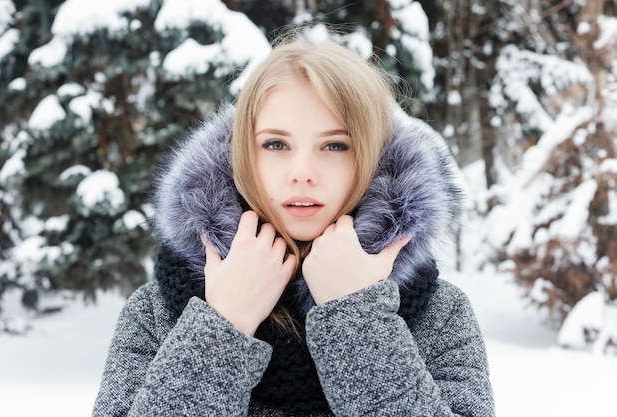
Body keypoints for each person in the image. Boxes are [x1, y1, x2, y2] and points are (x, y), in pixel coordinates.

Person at [92, 34, 495, 416]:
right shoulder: (157, 313)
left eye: (335, 145)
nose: (302, 173)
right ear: (242, 155)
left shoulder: (439, 316)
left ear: (376, 159)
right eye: (276, 145)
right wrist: (222, 324)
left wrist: (359, 320)